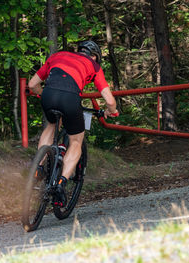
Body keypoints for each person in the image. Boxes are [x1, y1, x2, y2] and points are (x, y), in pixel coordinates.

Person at [28, 40, 119, 207]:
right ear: (94, 56)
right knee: (76, 141)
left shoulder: (57, 55)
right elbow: (110, 101)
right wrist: (111, 111)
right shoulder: (93, 65)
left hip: (49, 94)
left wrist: (44, 95)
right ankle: (61, 184)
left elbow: (32, 85)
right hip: (70, 98)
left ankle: (38, 167)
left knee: (52, 125)